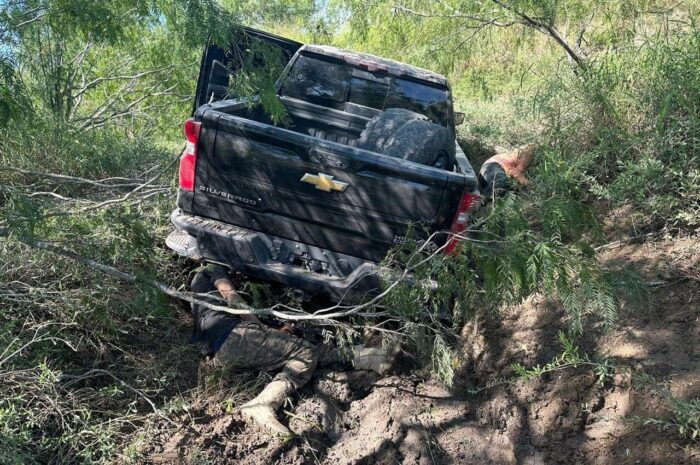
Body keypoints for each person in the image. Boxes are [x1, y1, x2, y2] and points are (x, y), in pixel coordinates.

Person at [189, 264, 394, 436]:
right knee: (303, 352)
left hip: (222, 353)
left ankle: (369, 357)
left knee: (301, 351)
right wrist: (263, 328)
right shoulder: (209, 270)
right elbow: (230, 296)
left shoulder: (199, 300)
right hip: (234, 336)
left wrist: (277, 333)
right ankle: (263, 404)